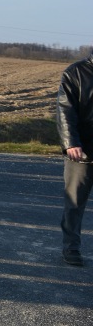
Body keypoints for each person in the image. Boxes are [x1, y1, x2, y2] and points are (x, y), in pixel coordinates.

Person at [56, 49, 93, 266]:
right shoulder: (75, 73)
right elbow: (65, 109)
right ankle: (71, 247)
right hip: (82, 151)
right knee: (75, 202)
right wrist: (71, 142)